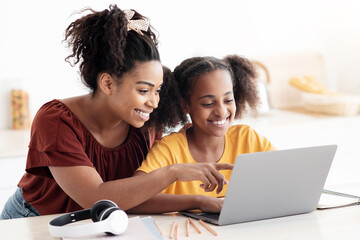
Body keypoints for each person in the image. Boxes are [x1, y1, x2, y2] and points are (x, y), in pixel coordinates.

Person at [0, 5, 232, 220]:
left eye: (158, 90)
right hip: (34, 221)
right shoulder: (56, 121)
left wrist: (201, 201)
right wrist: (173, 172)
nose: (153, 102)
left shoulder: (146, 122)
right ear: (108, 84)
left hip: (94, 224)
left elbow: (134, 197)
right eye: (143, 90)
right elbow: (95, 197)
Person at [130, 55, 275, 213]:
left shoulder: (247, 138)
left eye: (228, 100)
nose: (221, 111)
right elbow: (133, 199)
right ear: (185, 106)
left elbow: (284, 177)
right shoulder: (170, 149)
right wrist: (199, 202)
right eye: (208, 103)